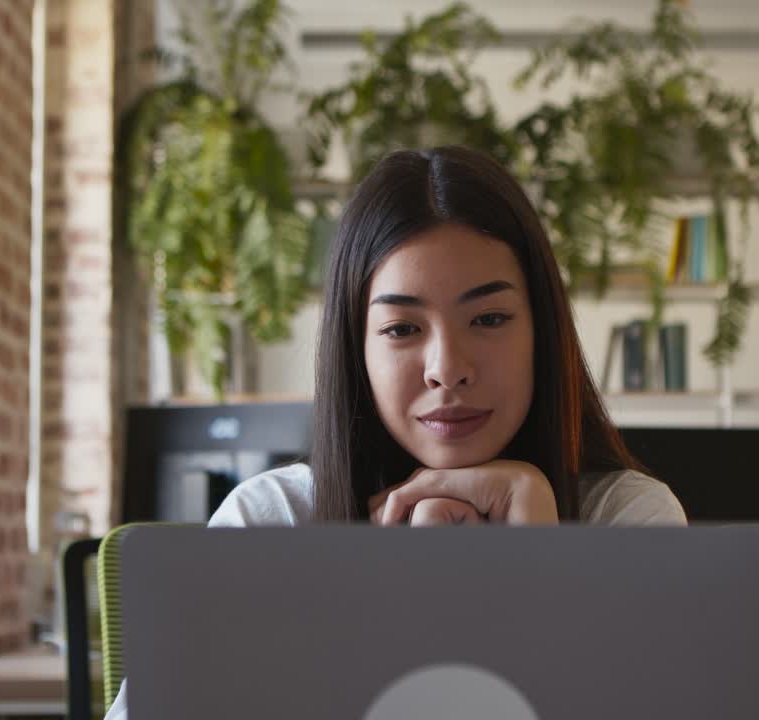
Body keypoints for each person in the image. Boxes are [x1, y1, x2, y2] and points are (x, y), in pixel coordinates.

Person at [102, 146, 684, 719]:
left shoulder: (630, 526)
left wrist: (535, 560)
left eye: (489, 319)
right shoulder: (271, 524)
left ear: (542, 332)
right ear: (356, 351)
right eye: (403, 328)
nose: (446, 367)